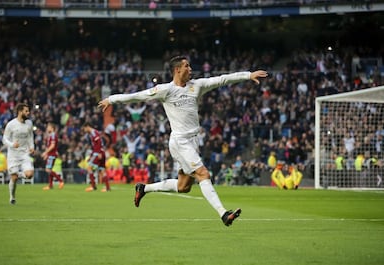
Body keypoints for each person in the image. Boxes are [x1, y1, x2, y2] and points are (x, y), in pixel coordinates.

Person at [98, 55, 268, 226]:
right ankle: (224, 214)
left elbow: (222, 79)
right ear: (177, 69)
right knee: (203, 174)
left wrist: (248, 75)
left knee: (183, 186)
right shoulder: (166, 90)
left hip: (193, 141)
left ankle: (144, 188)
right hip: (180, 142)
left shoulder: (197, 86)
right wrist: (111, 99)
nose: (190, 69)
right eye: (187, 66)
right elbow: (137, 96)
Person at [3, 103, 35, 204]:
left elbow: (30, 136)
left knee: (30, 175)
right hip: (13, 155)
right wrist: (12, 144)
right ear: (20, 111)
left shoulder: (29, 123)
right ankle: (12, 197)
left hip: (24, 153)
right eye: (26, 111)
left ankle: (15, 174)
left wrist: (32, 147)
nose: (28, 113)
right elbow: (4, 139)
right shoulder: (11, 124)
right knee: (14, 179)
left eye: (28, 111)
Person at [82, 122, 110, 192]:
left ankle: (93, 186)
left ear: (87, 126)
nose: (84, 130)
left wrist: (98, 153)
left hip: (98, 153)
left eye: (84, 129)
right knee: (102, 170)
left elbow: (99, 142)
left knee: (89, 168)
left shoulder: (93, 132)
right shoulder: (94, 133)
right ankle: (107, 187)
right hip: (101, 152)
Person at [41, 122, 64, 191]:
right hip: (50, 155)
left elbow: (53, 146)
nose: (47, 128)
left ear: (52, 128)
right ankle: (50, 185)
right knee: (49, 170)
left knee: (48, 170)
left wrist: (46, 152)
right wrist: (47, 154)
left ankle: (60, 181)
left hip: (52, 155)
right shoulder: (51, 135)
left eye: (48, 127)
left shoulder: (53, 135)